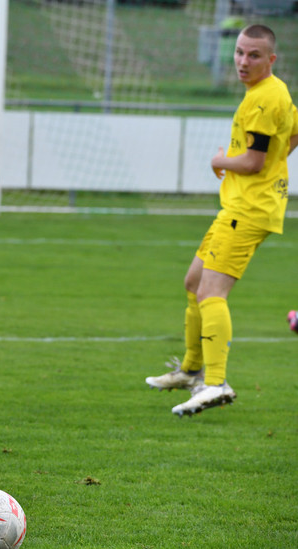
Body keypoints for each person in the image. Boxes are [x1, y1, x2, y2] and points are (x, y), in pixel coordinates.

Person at [145, 24, 298, 417]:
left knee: (212, 292)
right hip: (241, 206)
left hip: (248, 209)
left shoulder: (264, 99)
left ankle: (215, 383)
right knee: (194, 281)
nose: (243, 62)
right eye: (240, 53)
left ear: (271, 60)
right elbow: (292, 134)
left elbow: (253, 161)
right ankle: (191, 369)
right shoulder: (274, 92)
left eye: (254, 55)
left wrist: (219, 161)